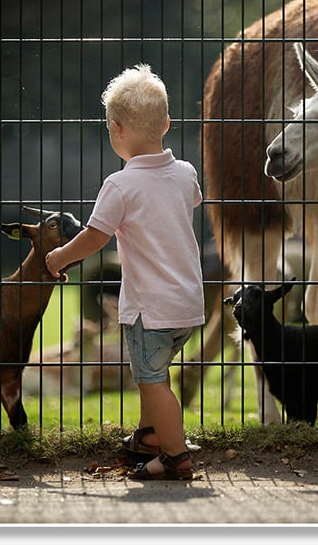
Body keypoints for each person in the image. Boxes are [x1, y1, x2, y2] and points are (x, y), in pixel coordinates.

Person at [45, 63, 205, 481]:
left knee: (153, 381)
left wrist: (61, 256)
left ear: (115, 129)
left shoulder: (119, 186)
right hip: (187, 303)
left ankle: (175, 456)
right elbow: (191, 200)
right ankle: (152, 436)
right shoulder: (185, 172)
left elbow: (95, 238)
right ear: (167, 123)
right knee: (155, 371)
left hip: (149, 308)